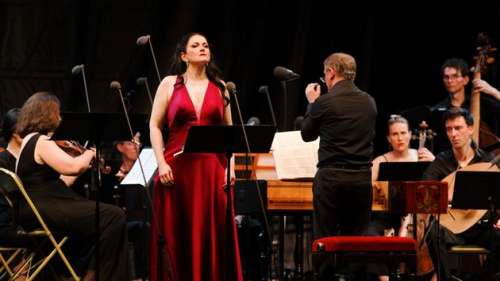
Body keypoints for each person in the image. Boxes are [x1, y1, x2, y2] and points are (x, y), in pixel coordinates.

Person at [149, 33, 242, 281]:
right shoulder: (169, 84)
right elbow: (155, 126)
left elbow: (229, 132)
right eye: (195, 45)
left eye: (205, 45)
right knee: (176, 233)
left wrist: (230, 166)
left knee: (211, 233)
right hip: (176, 168)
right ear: (183, 55)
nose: (202, 48)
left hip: (212, 170)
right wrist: (160, 162)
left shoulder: (221, 87)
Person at [15, 92, 130, 281]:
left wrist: (79, 160)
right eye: (57, 113)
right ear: (47, 113)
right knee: (113, 215)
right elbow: (73, 167)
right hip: (43, 208)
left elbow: (60, 179)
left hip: (35, 208)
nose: (60, 118)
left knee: (101, 219)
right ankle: (97, 276)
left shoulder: (28, 140)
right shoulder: (41, 141)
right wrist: (89, 153)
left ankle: (89, 274)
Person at [300, 52, 377, 279]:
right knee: (357, 238)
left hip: (332, 178)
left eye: (325, 75)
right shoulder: (369, 101)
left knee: (324, 238)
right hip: (362, 179)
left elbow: (306, 134)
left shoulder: (325, 102)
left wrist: (312, 103)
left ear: (332, 72)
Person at [423, 107, 500, 280]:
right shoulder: (442, 161)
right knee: (434, 232)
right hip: (453, 229)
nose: (453, 134)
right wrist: (445, 193)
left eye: (458, 128)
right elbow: (425, 191)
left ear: (470, 129)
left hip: (482, 227)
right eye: (449, 129)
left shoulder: (486, 161)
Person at [369, 115, 434, 281]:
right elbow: (369, 191)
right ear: (388, 138)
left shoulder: (421, 157)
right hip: (387, 214)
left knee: (435, 235)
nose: (399, 138)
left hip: (416, 215)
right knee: (370, 234)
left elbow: (438, 185)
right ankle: (384, 278)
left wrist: (434, 162)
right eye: (395, 134)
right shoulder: (380, 161)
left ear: (410, 134)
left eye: (403, 133)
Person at [431, 58, 500, 153]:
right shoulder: (438, 110)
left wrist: (492, 91)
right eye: (446, 77)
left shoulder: (482, 103)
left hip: (485, 158)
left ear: (465, 80)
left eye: (455, 76)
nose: (450, 80)